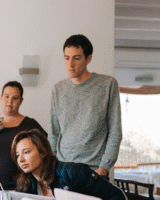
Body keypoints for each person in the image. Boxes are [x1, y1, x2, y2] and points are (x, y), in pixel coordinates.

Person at [12, 129, 125, 200]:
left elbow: (116, 196)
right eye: (17, 155)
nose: (20, 159)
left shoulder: (72, 172)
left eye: (26, 152)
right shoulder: (27, 184)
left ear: (42, 152)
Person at [49, 34, 122, 178]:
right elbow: (53, 133)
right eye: (66, 58)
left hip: (94, 170)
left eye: (76, 58)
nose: (70, 64)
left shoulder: (107, 84)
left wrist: (104, 168)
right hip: (63, 168)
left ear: (88, 59)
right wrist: (51, 166)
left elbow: (115, 130)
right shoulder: (58, 89)